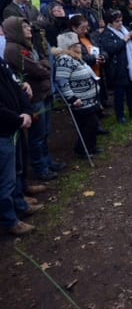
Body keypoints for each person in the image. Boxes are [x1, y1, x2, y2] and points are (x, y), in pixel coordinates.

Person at [2, 16, 65, 181]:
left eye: (28, 26)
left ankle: (47, 160)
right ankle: (40, 167)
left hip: (43, 92)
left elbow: (43, 64)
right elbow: (38, 70)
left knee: (45, 132)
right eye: (24, 27)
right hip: (35, 96)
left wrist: (44, 65)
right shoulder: (13, 49)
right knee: (37, 135)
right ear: (15, 30)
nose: (29, 29)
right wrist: (44, 66)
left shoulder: (28, 45)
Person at [0, 55, 38, 235]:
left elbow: (16, 88)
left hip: (14, 126)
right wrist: (17, 119)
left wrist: (26, 112)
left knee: (16, 170)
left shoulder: (1, 62)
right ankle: (10, 220)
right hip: (4, 130)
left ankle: (19, 204)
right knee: (5, 180)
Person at [53, 32, 102, 157]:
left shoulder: (76, 57)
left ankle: (91, 147)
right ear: (70, 47)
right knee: (89, 124)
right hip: (80, 101)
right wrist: (72, 98)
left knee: (93, 123)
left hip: (89, 99)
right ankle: (82, 149)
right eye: (77, 44)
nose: (80, 45)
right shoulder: (64, 60)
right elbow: (62, 82)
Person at [98, 9, 132, 124]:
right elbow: (111, 49)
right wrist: (125, 40)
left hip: (131, 67)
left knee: (131, 92)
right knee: (119, 95)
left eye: (121, 20)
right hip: (118, 69)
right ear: (110, 23)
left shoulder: (126, 30)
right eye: (117, 21)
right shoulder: (106, 34)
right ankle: (120, 116)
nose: (120, 23)